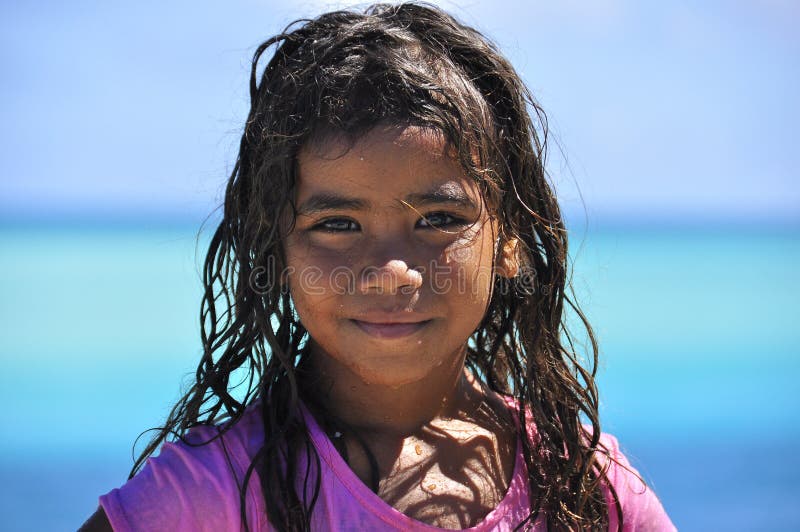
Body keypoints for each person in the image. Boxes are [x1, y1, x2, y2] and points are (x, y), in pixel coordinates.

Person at [81, 3, 674, 531]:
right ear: (275, 251)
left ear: (510, 238)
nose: (391, 271)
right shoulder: (208, 497)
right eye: (337, 225)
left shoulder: (586, 492)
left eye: (439, 218)